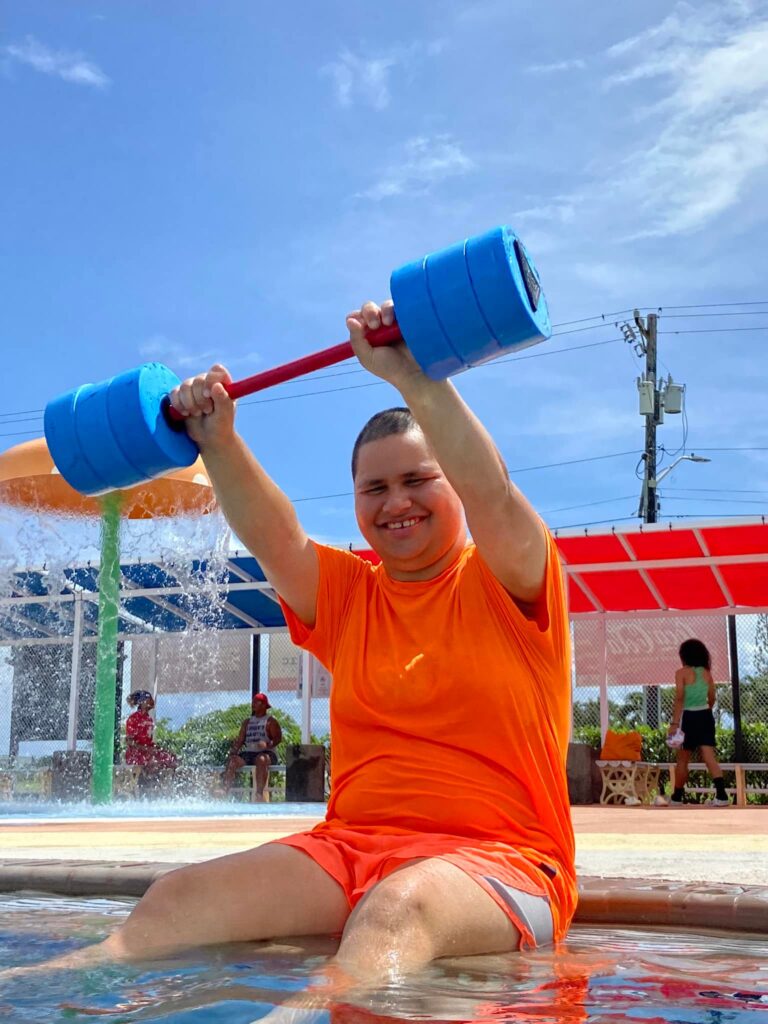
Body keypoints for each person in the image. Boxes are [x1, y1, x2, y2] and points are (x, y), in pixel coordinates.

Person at [17, 298, 576, 992]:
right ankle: (33, 991)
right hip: (349, 851)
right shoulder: (352, 596)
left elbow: (493, 494)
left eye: (417, 480)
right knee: (174, 899)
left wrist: (414, 380)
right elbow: (277, 538)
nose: (395, 502)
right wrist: (217, 438)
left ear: (453, 483)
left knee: (396, 912)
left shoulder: (513, 576)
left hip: (505, 859)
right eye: (374, 488)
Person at [668, 639, 729, 806]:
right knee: (709, 756)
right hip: (705, 716)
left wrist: (674, 723)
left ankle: (677, 797)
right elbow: (712, 697)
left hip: (688, 717)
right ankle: (722, 796)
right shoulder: (707, 673)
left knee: (683, 759)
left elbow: (679, 698)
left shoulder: (681, 673)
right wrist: (706, 710)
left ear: (684, 656)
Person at [222, 692, 282, 800]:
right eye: (253, 702)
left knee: (261, 759)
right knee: (233, 760)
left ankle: (259, 794)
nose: (253, 704)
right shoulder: (247, 722)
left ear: (264, 705)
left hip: (267, 753)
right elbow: (240, 740)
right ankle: (224, 790)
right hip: (250, 752)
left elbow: (278, 738)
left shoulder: (270, 722)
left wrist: (268, 744)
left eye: (256, 702)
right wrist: (233, 751)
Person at [124, 690, 178, 790]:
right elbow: (129, 742)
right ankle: (147, 785)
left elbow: (148, 741)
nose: (152, 701)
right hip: (136, 754)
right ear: (142, 702)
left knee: (172, 758)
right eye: (148, 699)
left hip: (147, 752)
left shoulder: (148, 719)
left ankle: (166, 787)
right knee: (154, 761)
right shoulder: (133, 719)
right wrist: (146, 749)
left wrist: (158, 749)